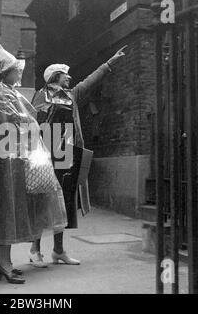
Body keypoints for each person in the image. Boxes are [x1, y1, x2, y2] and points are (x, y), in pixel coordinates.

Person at [29, 46, 127, 267]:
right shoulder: (40, 96)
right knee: (42, 201)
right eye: (65, 74)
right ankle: (35, 249)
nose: (70, 77)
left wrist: (109, 63)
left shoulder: (72, 95)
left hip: (67, 154)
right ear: (55, 76)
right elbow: (34, 125)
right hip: (46, 155)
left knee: (64, 201)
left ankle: (58, 250)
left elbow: (89, 80)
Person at [0, 39, 68, 284]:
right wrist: (32, 119)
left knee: (8, 210)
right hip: (6, 158)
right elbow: (16, 118)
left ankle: (1, 259)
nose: (17, 73)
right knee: (6, 210)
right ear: (4, 71)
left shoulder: (6, 90)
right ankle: (3, 261)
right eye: (14, 70)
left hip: (13, 157)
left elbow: (24, 116)